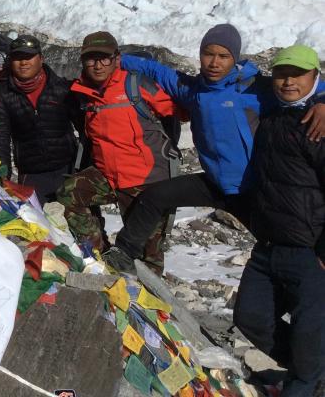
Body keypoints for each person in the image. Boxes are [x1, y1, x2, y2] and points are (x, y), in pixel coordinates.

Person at [104, 24, 325, 273]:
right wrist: (118, 60)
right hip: (214, 184)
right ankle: (124, 253)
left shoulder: (254, 88)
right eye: (209, 54)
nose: (214, 62)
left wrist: (323, 102)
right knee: (155, 196)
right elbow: (157, 70)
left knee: (275, 247)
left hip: (255, 191)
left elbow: (304, 85)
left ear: (235, 58)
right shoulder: (193, 90)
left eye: (224, 56)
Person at [233, 45, 324, 396]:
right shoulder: (272, 117)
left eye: (298, 74)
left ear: (315, 77)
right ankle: (312, 368)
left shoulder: (318, 125)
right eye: (282, 74)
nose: (288, 82)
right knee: (250, 319)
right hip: (268, 246)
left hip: (310, 251)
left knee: (308, 330)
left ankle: (306, 379)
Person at [57, 31, 181, 272]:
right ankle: (98, 255)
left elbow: (175, 111)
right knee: (70, 192)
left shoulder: (136, 85)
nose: (98, 65)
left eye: (104, 58)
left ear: (117, 58)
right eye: (91, 59)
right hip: (108, 175)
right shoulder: (83, 92)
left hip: (145, 181)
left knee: (148, 256)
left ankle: (151, 304)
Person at [0, 35, 78, 202]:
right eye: (18, 58)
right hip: (32, 173)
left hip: (68, 169)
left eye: (29, 57)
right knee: (40, 224)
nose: (23, 62)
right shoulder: (3, 93)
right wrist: (2, 173)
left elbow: (86, 125)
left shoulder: (60, 87)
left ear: (41, 59)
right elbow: (0, 133)